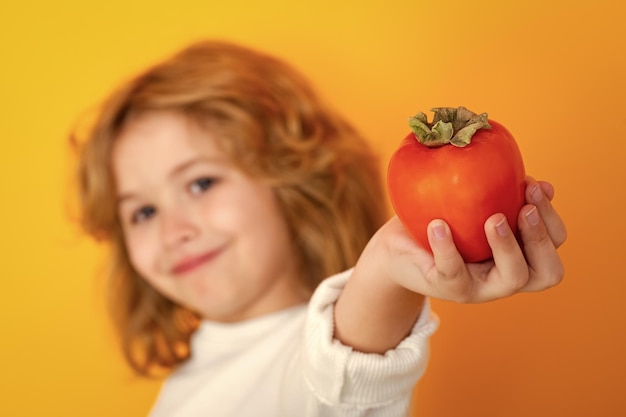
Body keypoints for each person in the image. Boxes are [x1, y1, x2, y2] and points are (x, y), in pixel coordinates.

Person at [71, 40, 566, 416]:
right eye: (141, 212)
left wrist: (388, 267)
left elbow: (344, 376)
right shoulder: (193, 374)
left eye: (201, 183)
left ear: (290, 179)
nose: (172, 229)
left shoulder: (319, 366)